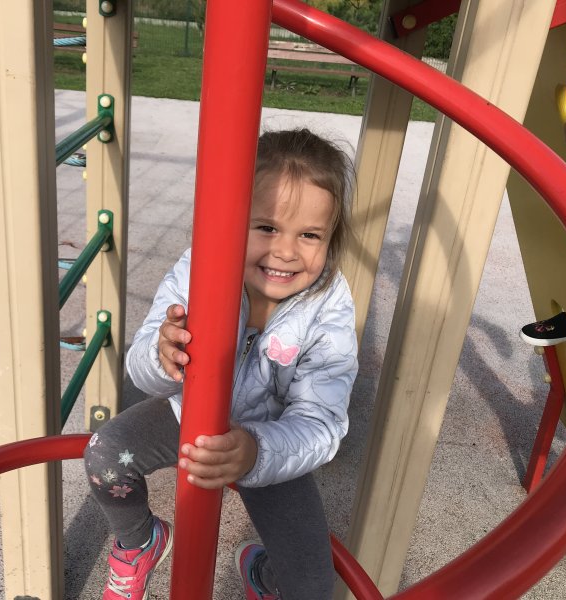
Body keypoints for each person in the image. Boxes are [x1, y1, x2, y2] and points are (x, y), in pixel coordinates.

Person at [84, 128, 359, 600]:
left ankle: (263, 574)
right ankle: (139, 542)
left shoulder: (328, 304)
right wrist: (162, 355)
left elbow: (322, 421)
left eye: (309, 235)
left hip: (269, 438)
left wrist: (257, 450)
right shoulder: (200, 268)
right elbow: (141, 369)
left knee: (312, 586)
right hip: (185, 415)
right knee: (105, 456)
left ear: (331, 239)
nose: (286, 251)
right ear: (232, 220)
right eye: (267, 227)